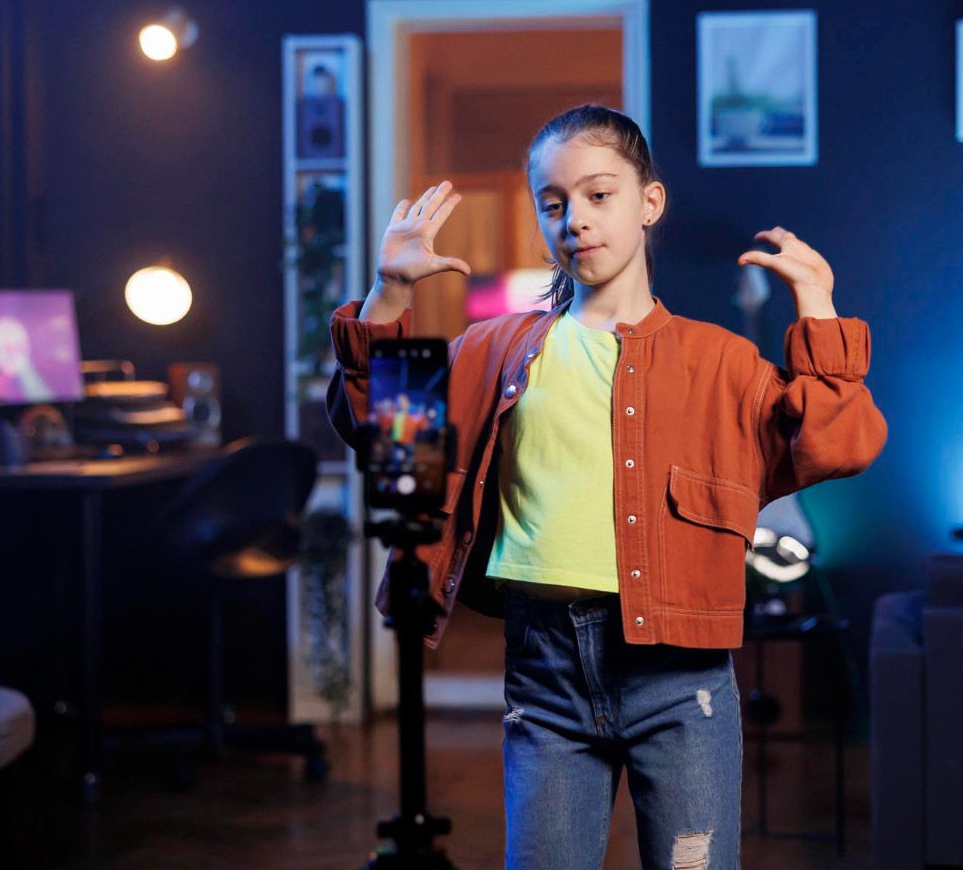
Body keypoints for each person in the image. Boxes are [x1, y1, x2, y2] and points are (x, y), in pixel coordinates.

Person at [327, 105, 886, 870]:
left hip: (680, 683)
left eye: (598, 196)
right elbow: (391, 444)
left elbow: (841, 441)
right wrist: (389, 295)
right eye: (552, 204)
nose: (575, 221)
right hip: (543, 672)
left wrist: (818, 310)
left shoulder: (720, 361)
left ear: (649, 202)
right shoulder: (495, 348)